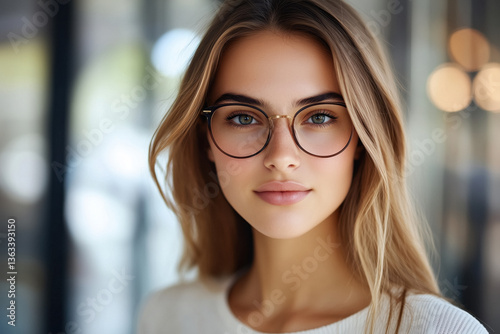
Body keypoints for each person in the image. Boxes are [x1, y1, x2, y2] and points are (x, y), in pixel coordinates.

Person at [138, 0, 488, 333]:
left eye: (319, 117)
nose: (281, 156)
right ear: (206, 142)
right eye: (243, 118)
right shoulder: (167, 317)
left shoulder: (438, 330)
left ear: (363, 139)